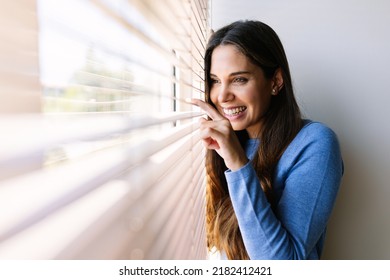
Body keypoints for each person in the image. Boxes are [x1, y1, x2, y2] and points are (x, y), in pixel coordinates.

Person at [190, 20, 344, 260]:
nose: (222, 96)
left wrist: (239, 165)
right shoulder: (222, 145)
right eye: (215, 80)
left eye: (239, 79)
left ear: (275, 81)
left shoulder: (315, 143)